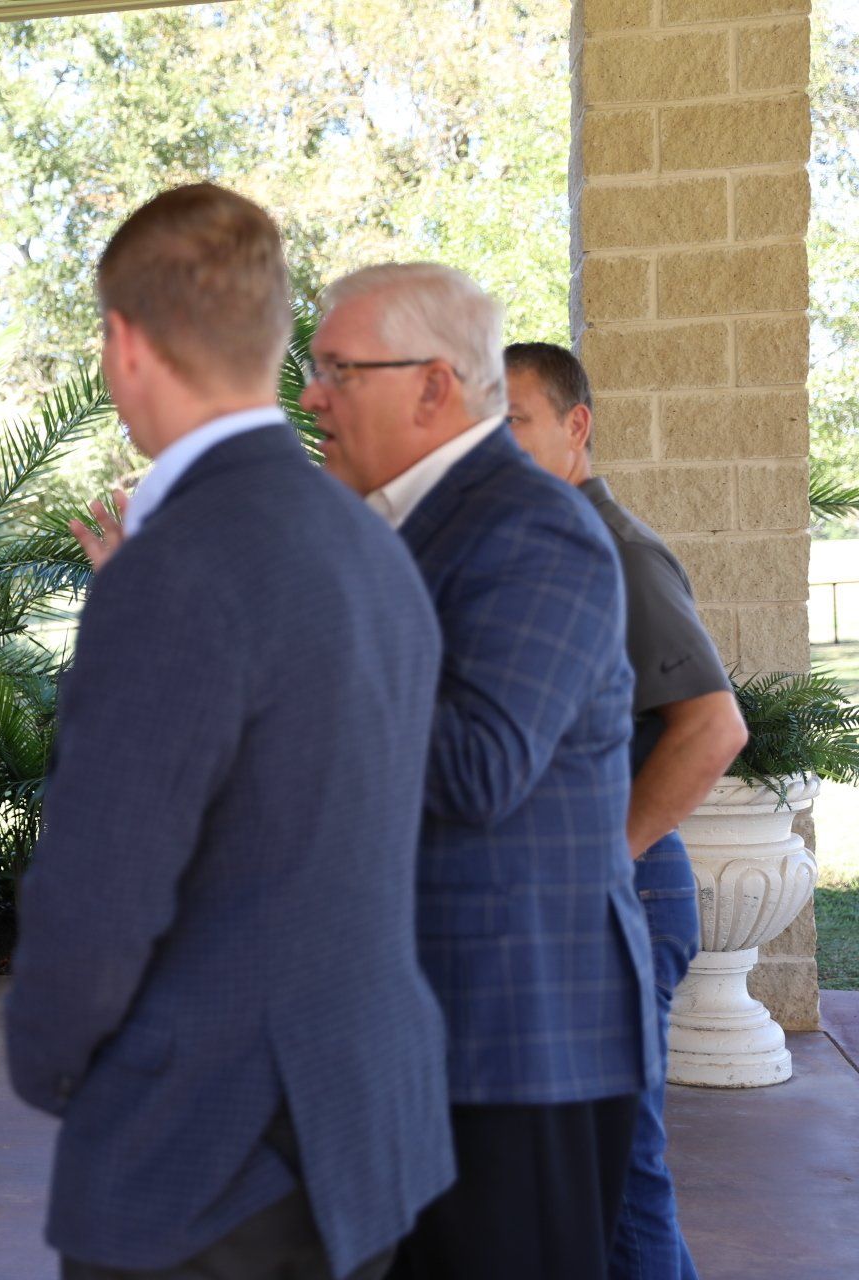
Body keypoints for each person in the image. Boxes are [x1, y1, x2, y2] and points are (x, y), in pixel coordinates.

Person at [8, 184, 454, 1280]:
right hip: (365, 1136)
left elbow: (100, 901)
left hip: (210, 1167)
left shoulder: (175, 568)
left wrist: (50, 1060)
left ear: (123, 343)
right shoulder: (371, 543)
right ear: (271, 343)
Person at [298, 264, 659, 1280]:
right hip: (409, 1040)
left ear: (432, 386)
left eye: (338, 369)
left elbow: (477, 766)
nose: (313, 395)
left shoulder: (531, 526)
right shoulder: (402, 526)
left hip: (514, 1042)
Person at [505, 340, 746, 1280]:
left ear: (577, 427)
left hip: (621, 902)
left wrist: (601, 864)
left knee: (615, 1180)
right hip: (566, 906)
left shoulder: (620, 555)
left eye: (513, 423)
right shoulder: (532, 553)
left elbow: (712, 728)